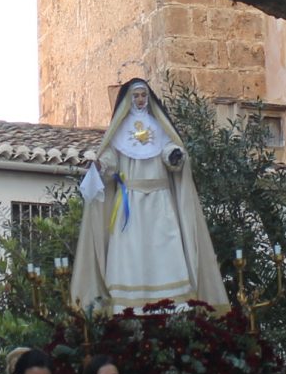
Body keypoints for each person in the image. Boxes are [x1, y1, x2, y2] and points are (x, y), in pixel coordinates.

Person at [69, 79, 228, 312]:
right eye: (136, 96)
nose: (141, 100)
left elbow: (169, 149)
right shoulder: (119, 130)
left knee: (164, 246)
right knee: (130, 251)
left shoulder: (159, 126)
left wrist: (174, 156)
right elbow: (111, 160)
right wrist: (102, 165)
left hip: (160, 201)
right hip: (130, 204)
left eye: (144, 95)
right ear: (128, 100)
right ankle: (128, 306)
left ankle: (174, 304)